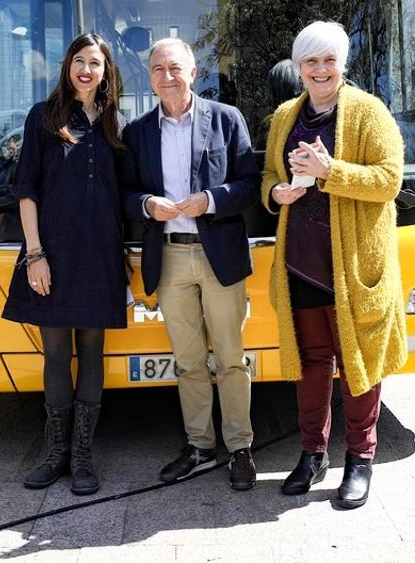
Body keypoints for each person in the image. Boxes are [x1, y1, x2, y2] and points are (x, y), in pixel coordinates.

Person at [261, 21, 408, 509]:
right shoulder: (286, 115)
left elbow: (388, 181)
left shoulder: (368, 112)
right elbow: (269, 175)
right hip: (301, 262)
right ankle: (312, 453)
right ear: (299, 68)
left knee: (357, 364)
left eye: (328, 61)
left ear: (342, 64)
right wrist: (275, 193)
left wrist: (330, 172)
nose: (320, 70)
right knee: (311, 363)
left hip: (351, 267)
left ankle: (360, 460)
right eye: (311, 61)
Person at [120, 37, 260, 491]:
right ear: (150, 77)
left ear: (194, 72)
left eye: (175, 67)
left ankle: (240, 447)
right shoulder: (137, 132)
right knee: (188, 360)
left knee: (232, 358)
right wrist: (146, 205)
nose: (167, 76)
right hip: (171, 255)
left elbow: (249, 185)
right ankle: (200, 446)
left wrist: (210, 200)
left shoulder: (226, 119)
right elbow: (123, 194)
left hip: (218, 253)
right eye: (158, 69)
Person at [2, 34, 128, 496]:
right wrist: (34, 254)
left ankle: (82, 458)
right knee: (56, 354)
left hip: (100, 257)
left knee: (92, 353)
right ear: (67, 66)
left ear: (106, 72)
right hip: (51, 255)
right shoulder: (45, 116)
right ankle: (54, 454)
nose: (87, 71)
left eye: (95, 63)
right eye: (80, 61)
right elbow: (27, 189)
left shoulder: (116, 122)